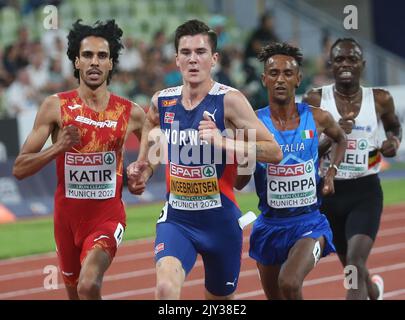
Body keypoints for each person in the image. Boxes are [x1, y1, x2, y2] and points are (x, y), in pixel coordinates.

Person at [126, 19, 282, 300]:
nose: (193, 59)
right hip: (177, 219)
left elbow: (274, 151)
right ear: (176, 59)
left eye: (200, 52)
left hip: (220, 223)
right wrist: (144, 169)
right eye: (185, 52)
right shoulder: (162, 101)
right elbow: (150, 126)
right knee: (164, 289)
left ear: (214, 58)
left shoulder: (230, 101)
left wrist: (223, 141)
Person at [12, 20, 145, 300]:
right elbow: (19, 168)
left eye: (102, 56)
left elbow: (155, 150)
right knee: (76, 294)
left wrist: (142, 173)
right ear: (76, 61)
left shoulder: (131, 112)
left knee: (89, 285)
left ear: (111, 64)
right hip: (66, 222)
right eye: (87, 55)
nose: (94, 62)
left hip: (107, 218)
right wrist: (57, 148)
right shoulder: (55, 106)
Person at [235, 42, 347, 300]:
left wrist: (331, 172)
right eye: (273, 74)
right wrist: (245, 152)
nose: (280, 79)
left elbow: (340, 138)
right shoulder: (251, 123)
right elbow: (240, 183)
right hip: (269, 226)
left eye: (287, 73)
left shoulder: (318, 118)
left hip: (308, 223)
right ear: (264, 79)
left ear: (298, 78)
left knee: (290, 282)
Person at [302, 38, 402, 300]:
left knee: (356, 262)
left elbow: (394, 126)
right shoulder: (315, 99)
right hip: (329, 191)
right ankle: (375, 292)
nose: (346, 64)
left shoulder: (380, 99)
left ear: (363, 64)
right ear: (331, 64)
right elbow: (304, 151)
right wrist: (333, 136)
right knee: (352, 266)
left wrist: (393, 141)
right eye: (339, 59)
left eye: (352, 59)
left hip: (365, 191)